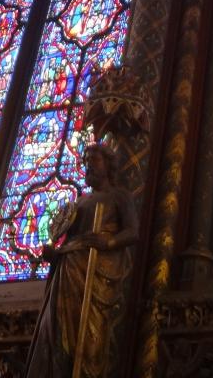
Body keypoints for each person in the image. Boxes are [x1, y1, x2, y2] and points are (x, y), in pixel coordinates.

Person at [25, 144, 138, 378]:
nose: (88, 166)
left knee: (89, 335)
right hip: (68, 272)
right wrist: (54, 254)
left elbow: (132, 232)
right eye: (86, 161)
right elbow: (69, 239)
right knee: (58, 331)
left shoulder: (119, 196)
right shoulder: (79, 202)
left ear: (108, 164)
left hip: (96, 272)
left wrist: (108, 242)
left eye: (94, 160)